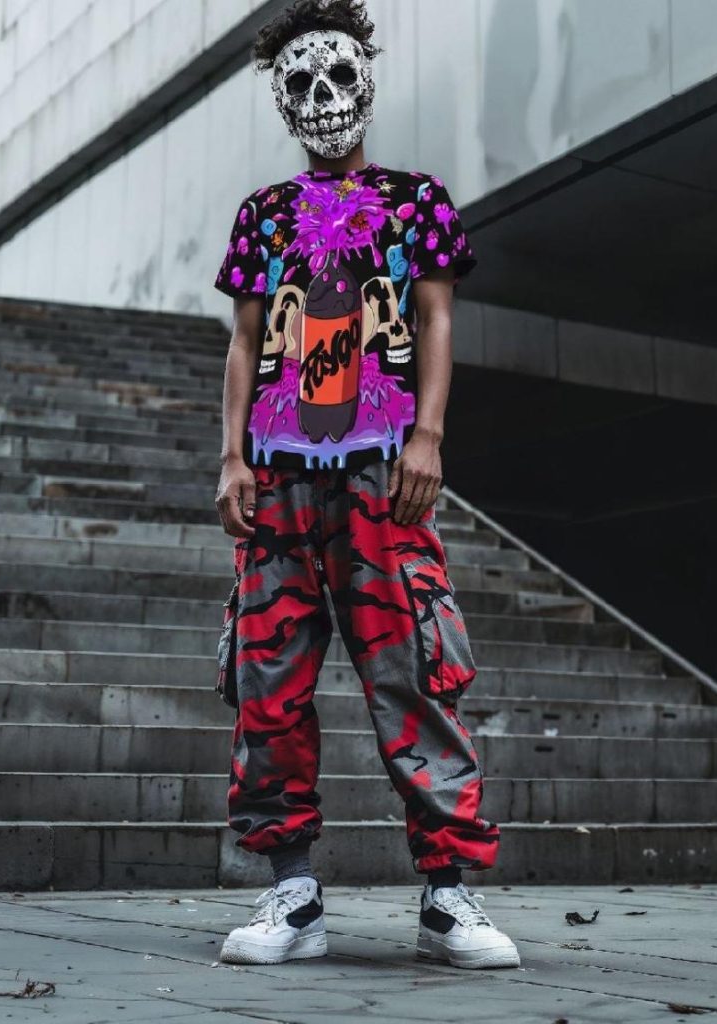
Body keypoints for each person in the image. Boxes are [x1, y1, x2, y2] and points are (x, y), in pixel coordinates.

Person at [210, 0, 520, 971]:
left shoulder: (415, 200)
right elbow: (245, 341)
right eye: (300, 82)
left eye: (338, 74)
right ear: (281, 102)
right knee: (268, 683)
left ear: (367, 83)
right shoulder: (262, 214)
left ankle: (448, 898)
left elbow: (434, 319)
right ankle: (292, 896)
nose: (322, 97)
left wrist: (428, 435)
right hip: (278, 479)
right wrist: (230, 457)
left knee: (415, 671)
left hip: (382, 472)